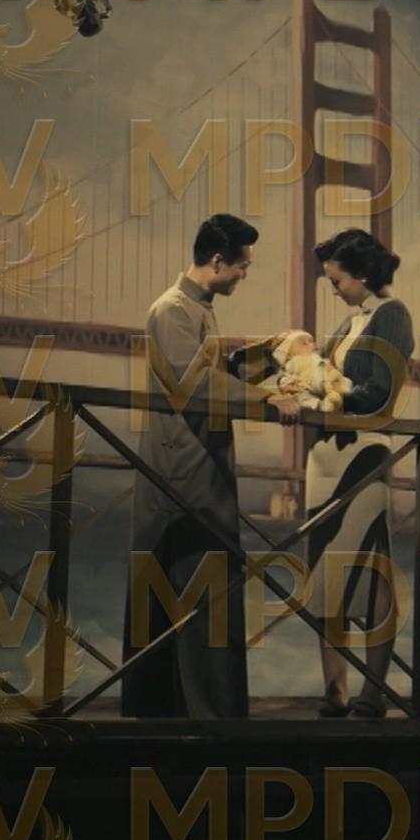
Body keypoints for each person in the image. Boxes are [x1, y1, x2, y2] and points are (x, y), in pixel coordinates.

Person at [124, 214, 303, 719]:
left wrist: (273, 354)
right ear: (219, 261)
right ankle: (204, 716)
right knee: (201, 596)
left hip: (195, 474)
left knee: (198, 595)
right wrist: (268, 399)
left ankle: (187, 712)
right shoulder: (171, 311)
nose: (245, 274)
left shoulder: (194, 309)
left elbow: (216, 371)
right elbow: (195, 384)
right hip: (182, 479)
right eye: (243, 266)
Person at [305, 228, 414, 718]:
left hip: (363, 456)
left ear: (363, 274)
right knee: (325, 577)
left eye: (337, 279)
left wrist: (325, 390)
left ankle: (372, 693)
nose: (333, 288)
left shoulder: (392, 316)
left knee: (369, 571)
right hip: (326, 459)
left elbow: (379, 393)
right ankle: (336, 691)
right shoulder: (350, 322)